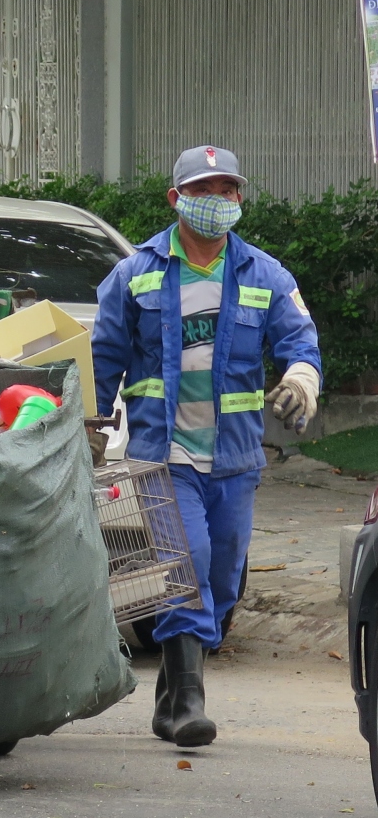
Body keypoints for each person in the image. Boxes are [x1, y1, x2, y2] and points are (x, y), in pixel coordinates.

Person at [92, 145, 321, 747]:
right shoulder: (136, 272)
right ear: (176, 200)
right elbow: (102, 358)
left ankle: (171, 698)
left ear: (240, 199)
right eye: (204, 191)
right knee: (185, 565)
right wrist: (85, 428)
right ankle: (190, 701)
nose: (218, 202)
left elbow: (301, 342)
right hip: (162, 455)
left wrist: (301, 381)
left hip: (235, 458)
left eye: (228, 191)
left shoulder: (264, 275)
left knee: (221, 581)